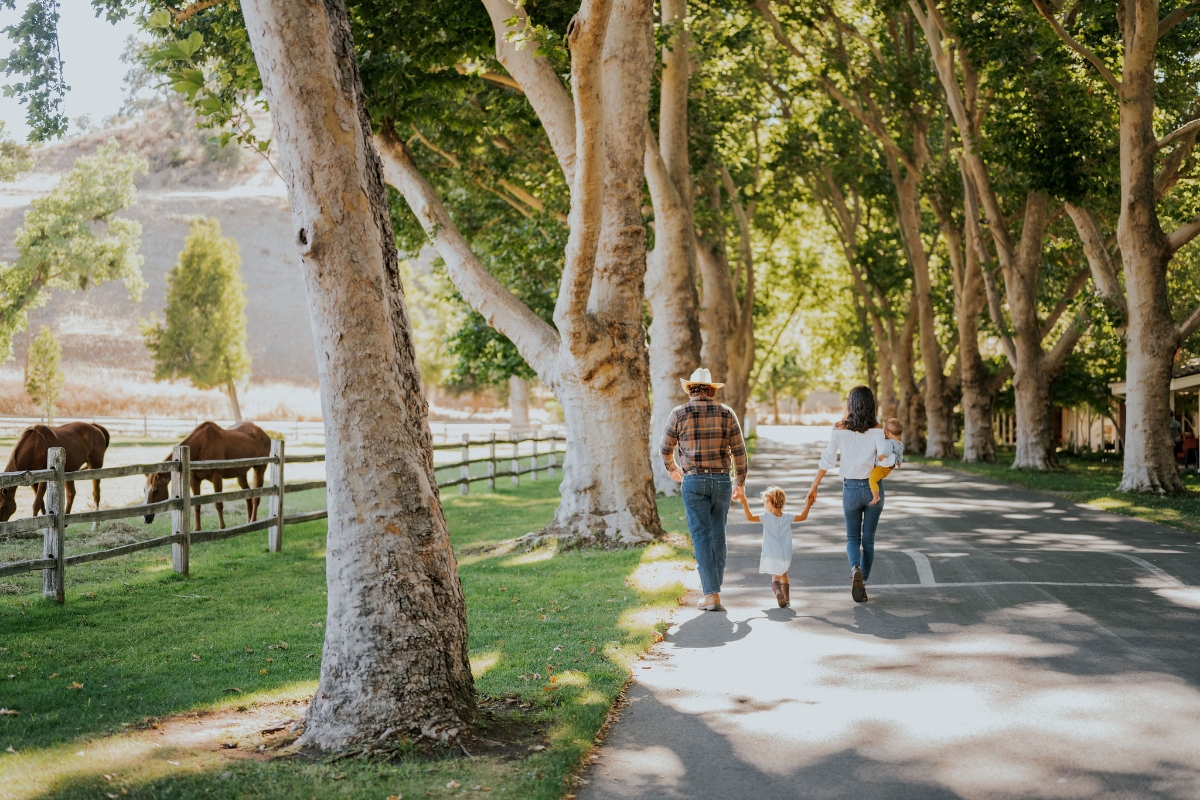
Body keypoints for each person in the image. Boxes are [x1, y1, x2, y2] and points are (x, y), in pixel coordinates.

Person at [661, 367, 748, 613]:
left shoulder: (678, 413)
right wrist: (740, 482)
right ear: (711, 389)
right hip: (721, 481)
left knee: (701, 536)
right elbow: (739, 451)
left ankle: (711, 593)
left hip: (694, 481)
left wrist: (672, 468)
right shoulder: (726, 413)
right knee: (718, 534)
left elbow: (664, 448)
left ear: (690, 389)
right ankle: (714, 590)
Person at [806, 386, 887, 604]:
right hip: (874, 489)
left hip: (850, 489)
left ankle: (855, 569)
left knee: (853, 538)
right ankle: (863, 582)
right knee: (868, 540)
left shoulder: (839, 428)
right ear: (871, 404)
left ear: (850, 403)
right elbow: (884, 458)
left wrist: (814, 486)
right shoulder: (878, 429)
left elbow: (827, 460)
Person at [738, 485, 811, 608]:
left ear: (769, 502)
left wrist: (744, 502)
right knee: (784, 573)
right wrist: (808, 504)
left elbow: (750, 517)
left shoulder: (765, 517)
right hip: (785, 553)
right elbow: (803, 516)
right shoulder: (788, 517)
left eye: (764, 503)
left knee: (775, 578)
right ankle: (787, 599)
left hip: (772, 553)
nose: (764, 506)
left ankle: (778, 591)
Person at [868, 418, 904, 506]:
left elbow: (888, 449)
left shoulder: (889, 442)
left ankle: (876, 496)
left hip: (881, 468)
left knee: (872, 480)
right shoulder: (900, 443)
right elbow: (899, 455)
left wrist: (883, 455)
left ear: (887, 432)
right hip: (888, 468)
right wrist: (899, 462)